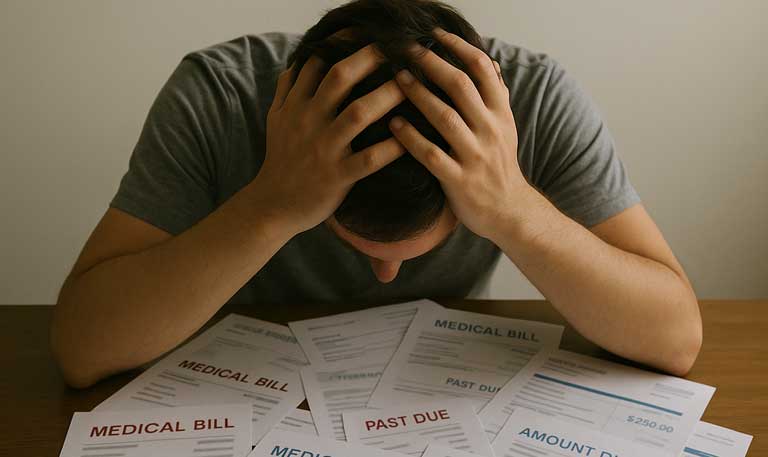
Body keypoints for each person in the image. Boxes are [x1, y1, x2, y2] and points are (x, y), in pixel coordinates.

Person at [51, 0, 702, 389]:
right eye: (352, 239)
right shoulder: (219, 94)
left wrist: (513, 209)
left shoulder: (532, 101)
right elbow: (82, 350)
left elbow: (674, 339)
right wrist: (272, 205)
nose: (385, 276)